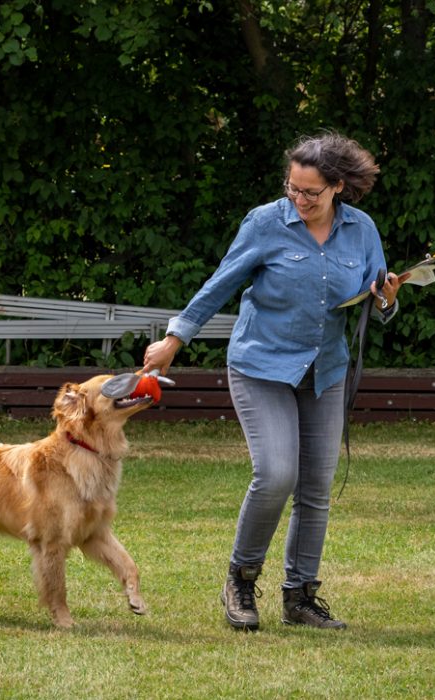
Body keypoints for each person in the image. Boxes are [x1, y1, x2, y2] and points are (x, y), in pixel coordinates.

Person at [142, 131, 405, 631]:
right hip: (261, 365)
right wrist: (175, 338)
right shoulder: (266, 222)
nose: (300, 200)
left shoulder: (362, 230)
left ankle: (300, 597)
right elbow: (221, 282)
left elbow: (378, 298)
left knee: (316, 488)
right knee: (277, 474)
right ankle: (240, 580)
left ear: (339, 188)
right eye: (293, 189)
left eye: (311, 192)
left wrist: (387, 296)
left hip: (325, 370)